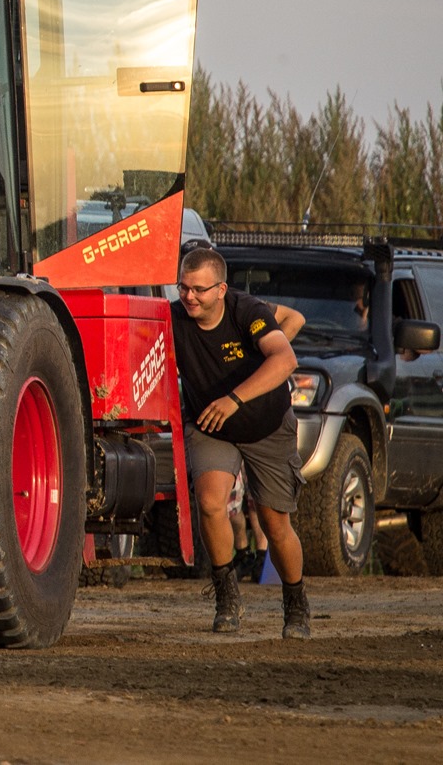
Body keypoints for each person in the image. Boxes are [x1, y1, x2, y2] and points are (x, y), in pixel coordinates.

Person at [171, 245, 310, 638]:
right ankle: (227, 597)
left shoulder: (247, 310)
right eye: (183, 287)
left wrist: (234, 398)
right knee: (210, 502)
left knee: (274, 522)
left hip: (266, 424)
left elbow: (285, 359)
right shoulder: (173, 318)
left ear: (221, 289)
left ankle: (296, 603)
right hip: (210, 426)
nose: (189, 297)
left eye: (199, 289)